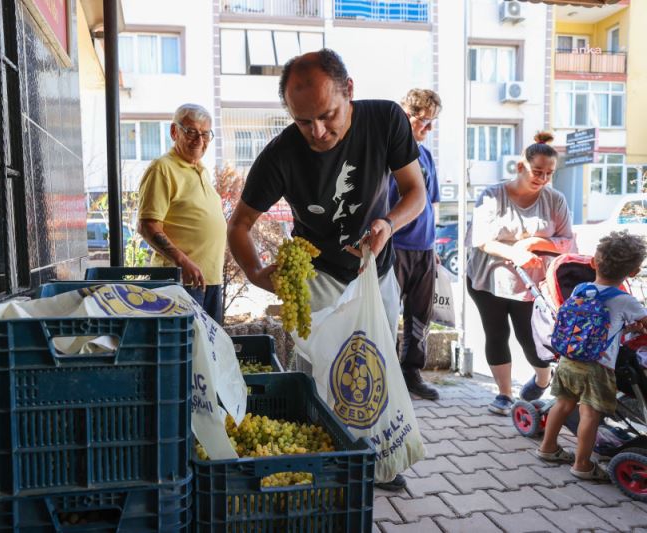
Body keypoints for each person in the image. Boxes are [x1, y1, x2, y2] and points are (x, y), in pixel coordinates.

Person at [227, 49, 427, 491]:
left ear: (349, 90)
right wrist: (258, 273)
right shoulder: (281, 154)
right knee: (318, 372)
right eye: (303, 122)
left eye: (327, 115)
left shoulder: (386, 120)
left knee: (376, 365)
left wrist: (388, 224)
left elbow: (416, 192)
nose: (317, 132)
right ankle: (321, 463)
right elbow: (238, 226)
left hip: (376, 269)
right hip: (317, 275)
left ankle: (379, 458)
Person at [466, 132, 575, 416]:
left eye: (549, 173)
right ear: (520, 167)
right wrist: (518, 253)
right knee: (496, 333)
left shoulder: (555, 200)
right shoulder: (492, 195)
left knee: (532, 338)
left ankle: (542, 379)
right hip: (488, 281)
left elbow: (567, 242)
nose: (542, 178)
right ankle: (503, 394)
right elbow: (482, 240)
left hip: (532, 287)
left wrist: (534, 244)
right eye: (537, 171)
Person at [538, 231, 647, 481]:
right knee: (589, 415)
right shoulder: (626, 300)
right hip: (597, 368)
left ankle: (547, 448)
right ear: (632, 272)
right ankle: (582, 464)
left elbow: (599, 320)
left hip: (568, 360)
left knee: (563, 404)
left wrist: (624, 326)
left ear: (593, 263)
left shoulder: (581, 288)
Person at [137, 103, 226, 323]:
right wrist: (183, 262)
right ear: (174, 132)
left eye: (205, 134)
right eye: (191, 131)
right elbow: (147, 225)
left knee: (208, 352)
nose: (199, 140)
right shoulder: (162, 168)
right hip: (181, 281)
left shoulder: (202, 171)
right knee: (185, 351)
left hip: (210, 280)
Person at [388, 89, 443, 401]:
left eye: (432, 122)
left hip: (424, 249)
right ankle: (387, 373)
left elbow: (430, 204)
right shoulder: (387, 153)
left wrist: (432, 249)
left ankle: (411, 373)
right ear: (404, 115)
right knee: (386, 312)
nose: (429, 128)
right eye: (423, 120)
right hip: (394, 246)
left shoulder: (426, 156)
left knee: (420, 314)